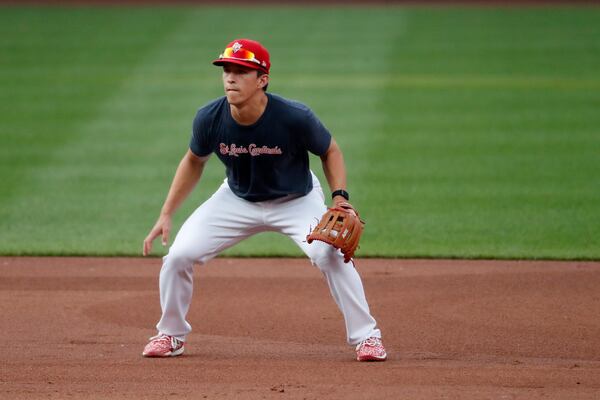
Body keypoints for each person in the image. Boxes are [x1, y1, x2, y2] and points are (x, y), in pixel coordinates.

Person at [141, 39, 386, 362]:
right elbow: (193, 160)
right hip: (237, 199)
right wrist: (166, 213)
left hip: (296, 200)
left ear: (263, 79)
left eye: (242, 71)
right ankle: (171, 334)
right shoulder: (209, 118)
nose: (231, 77)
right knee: (178, 257)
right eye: (227, 70)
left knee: (329, 255)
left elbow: (330, 151)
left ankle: (367, 337)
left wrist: (339, 197)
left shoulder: (293, 116)